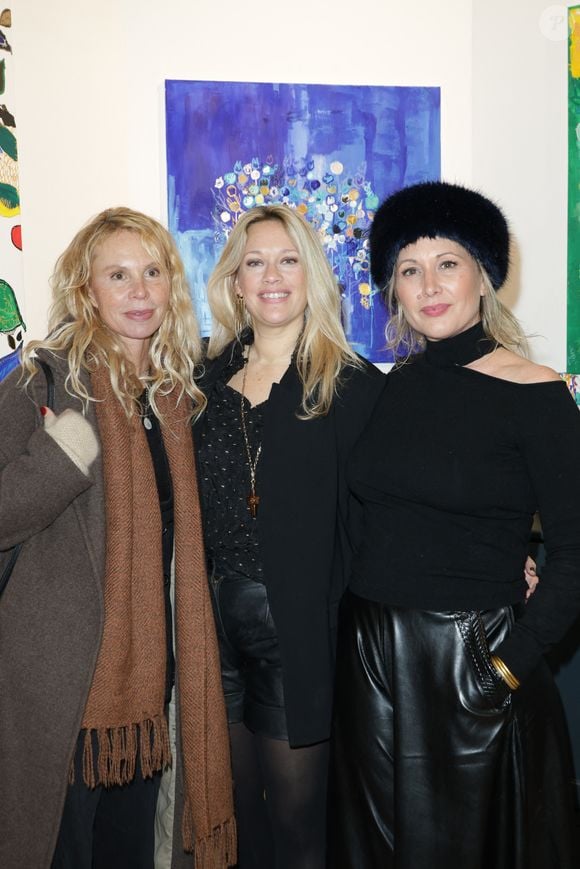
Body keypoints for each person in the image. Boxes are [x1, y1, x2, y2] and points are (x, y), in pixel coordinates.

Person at [329, 180, 580, 868]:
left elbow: (576, 553)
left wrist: (506, 666)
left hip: (471, 654)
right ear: (393, 291)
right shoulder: (395, 385)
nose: (429, 283)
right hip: (371, 653)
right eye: (409, 269)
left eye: (447, 262)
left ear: (483, 275)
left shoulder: (537, 393)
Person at [0, 207, 236, 869]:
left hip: (150, 699)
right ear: (87, 291)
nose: (139, 291)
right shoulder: (43, 380)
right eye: (118, 274)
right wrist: (62, 457)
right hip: (62, 692)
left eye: (153, 272)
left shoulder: (175, 399)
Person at [195, 203, 385, 869]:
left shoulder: (352, 384)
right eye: (255, 261)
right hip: (212, 635)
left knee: (301, 832)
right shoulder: (203, 384)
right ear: (234, 281)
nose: (272, 275)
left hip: (299, 637)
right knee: (237, 823)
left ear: (312, 274)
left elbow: (394, 510)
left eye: (288, 258)